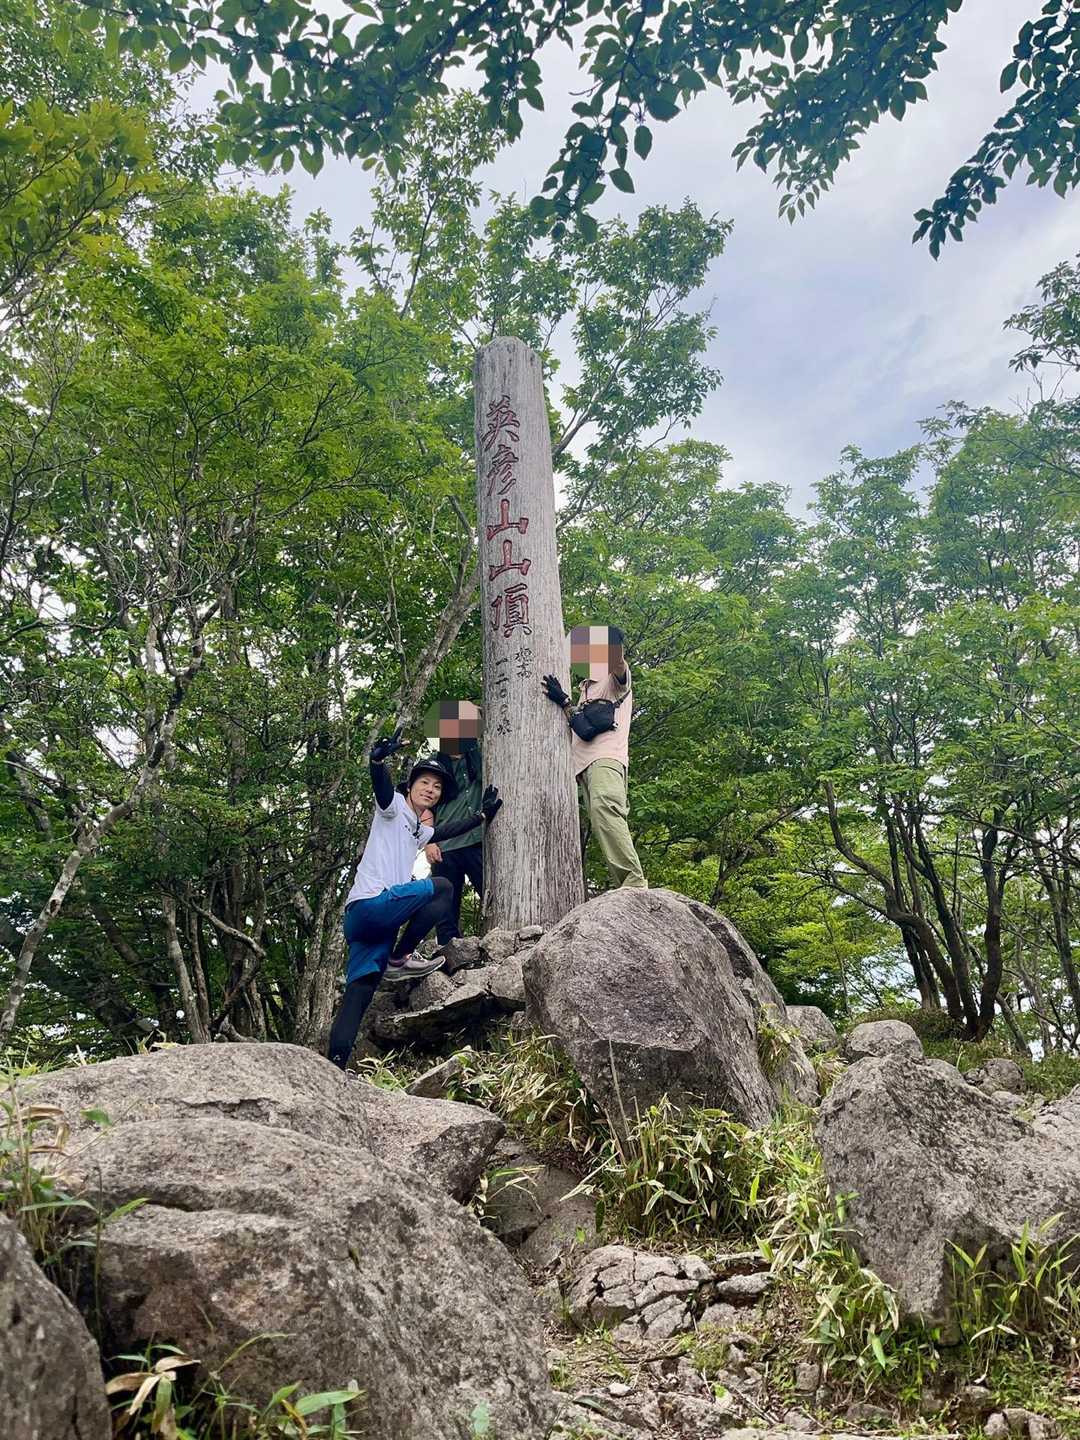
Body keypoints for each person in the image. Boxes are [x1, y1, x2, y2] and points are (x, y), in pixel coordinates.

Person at [327, 727, 502, 1071]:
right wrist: (377, 761)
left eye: (437, 787)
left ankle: (335, 1067)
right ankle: (400, 957)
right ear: (410, 786)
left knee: (358, 994)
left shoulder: (419, 829)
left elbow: (447, 831)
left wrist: (482, 816)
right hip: (371, 905)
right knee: (442, 887)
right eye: (425, 783)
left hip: (370, 926)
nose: (431, 790)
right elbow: (381, 787)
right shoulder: (393, 807)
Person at [542, 624, 647, 890]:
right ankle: (625, 882)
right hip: (582, 766)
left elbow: (618, 661)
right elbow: (580, 725)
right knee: (600, 822)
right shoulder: (585, 688)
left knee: (605, 809)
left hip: (606, 758)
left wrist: (610, 638)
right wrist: (564, 701)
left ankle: (633, 882)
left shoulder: (613, 679)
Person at [424, 735, 484, 952]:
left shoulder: (480, 755)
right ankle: (449, 956)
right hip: (445, 846)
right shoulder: (434, 763)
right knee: (445, 909)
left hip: (478, 840)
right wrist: (429, 842)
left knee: (492, 893)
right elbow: (425, 806)